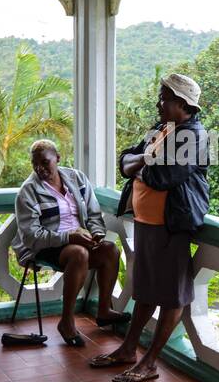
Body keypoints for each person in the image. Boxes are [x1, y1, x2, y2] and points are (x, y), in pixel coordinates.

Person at [90, 74, 209, 382]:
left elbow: (164, 177)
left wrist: (140, 165)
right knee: (144, 289)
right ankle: (128, 350)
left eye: (165, 98)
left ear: (183, 104)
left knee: (171, 296)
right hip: (146, 222)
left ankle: (149, 361)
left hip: (172, 224)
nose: (159, 103)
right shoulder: (160, 130)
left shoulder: (193, 136)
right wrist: (143, 160)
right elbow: (125, 161)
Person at [12, 139, 131, 346]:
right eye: (35, 164)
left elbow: (94, 214)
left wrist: (96, 234)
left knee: (110, 250)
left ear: (57, 158)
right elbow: (31, 236)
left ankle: (103, 311)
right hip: (45, 246)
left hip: (78, 239)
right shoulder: (28, 191)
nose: (40, 168)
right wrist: (69, 237)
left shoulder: (76, 178)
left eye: (45, 162)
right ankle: (66, 322)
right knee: (79, 253)